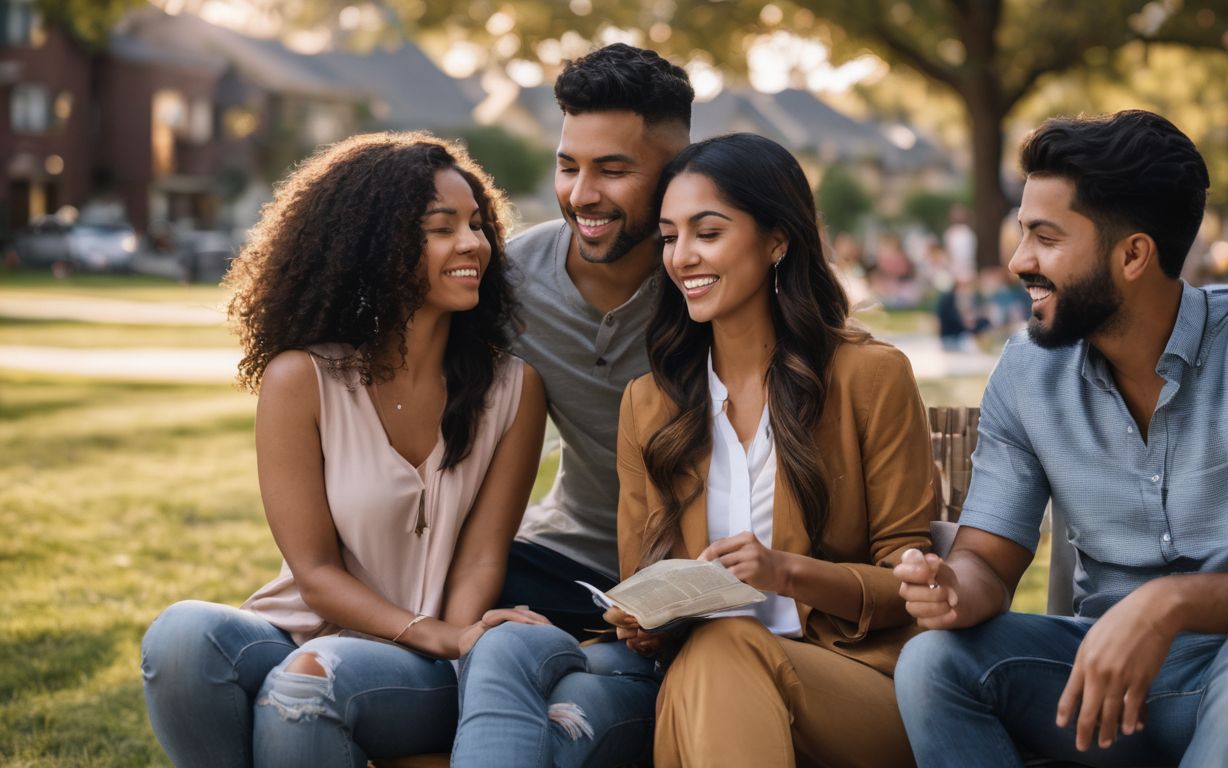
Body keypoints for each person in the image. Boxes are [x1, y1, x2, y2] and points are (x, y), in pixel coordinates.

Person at [455, 133, 939, 767]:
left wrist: (783, 572)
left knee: (725, 646)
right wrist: (642, 623)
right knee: (713, 648)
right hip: (703, 685)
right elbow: (643, 582)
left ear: (777, 239)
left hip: (849, 685)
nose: (682, 257)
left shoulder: (868, 377)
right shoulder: (651, 404)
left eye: (707, 233)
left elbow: (907, 587)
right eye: (669, 237)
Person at [894, 110, 1228, 767]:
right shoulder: (1027, 373)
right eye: (1022, 235)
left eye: (1045, 238)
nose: (1020, 261)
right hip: (1108, 691)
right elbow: (988, 564)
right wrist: (951, 586)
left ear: (1133, 254)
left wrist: (1173, 604)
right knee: (934, 662)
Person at [140, 132, 548, 767]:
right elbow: (316, 575)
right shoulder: (302, 381)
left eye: (476, 224)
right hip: (303, 630)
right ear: (377, 248)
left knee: (311, 677)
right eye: (442, 229)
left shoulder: (513, 390)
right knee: (182, 636)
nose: (474, 244)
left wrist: (451, 639)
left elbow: (478, 561)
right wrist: (424, 629)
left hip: (429, 662)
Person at [497, 43, 694, 639]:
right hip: (565, 560)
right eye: (568, 166)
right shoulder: (509, 280)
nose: (582, 194)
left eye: (612, 170)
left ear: (678, 173)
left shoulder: (714, 279)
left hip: (698, 573)